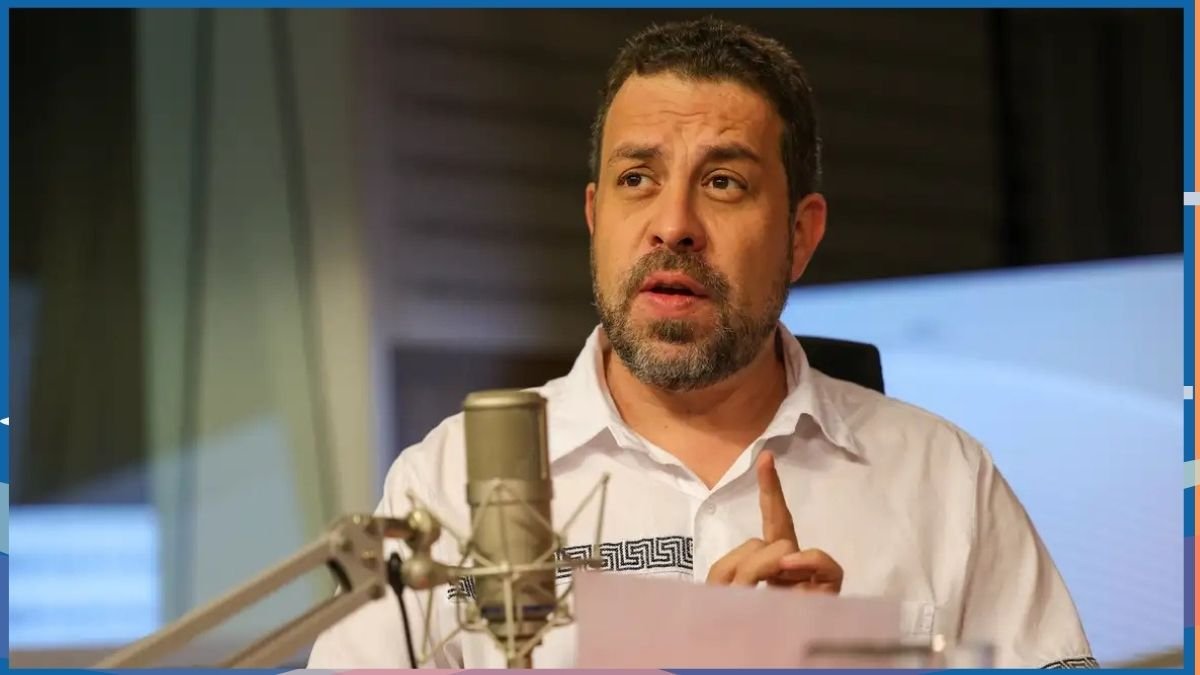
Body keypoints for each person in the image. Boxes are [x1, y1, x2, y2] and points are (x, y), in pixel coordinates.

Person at [308, 17, 1095, 669]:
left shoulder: (945, 479)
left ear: (800, 235)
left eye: (723, 182)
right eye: (637, 178)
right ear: (595, 217)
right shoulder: (445, 488)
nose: (674, 223)